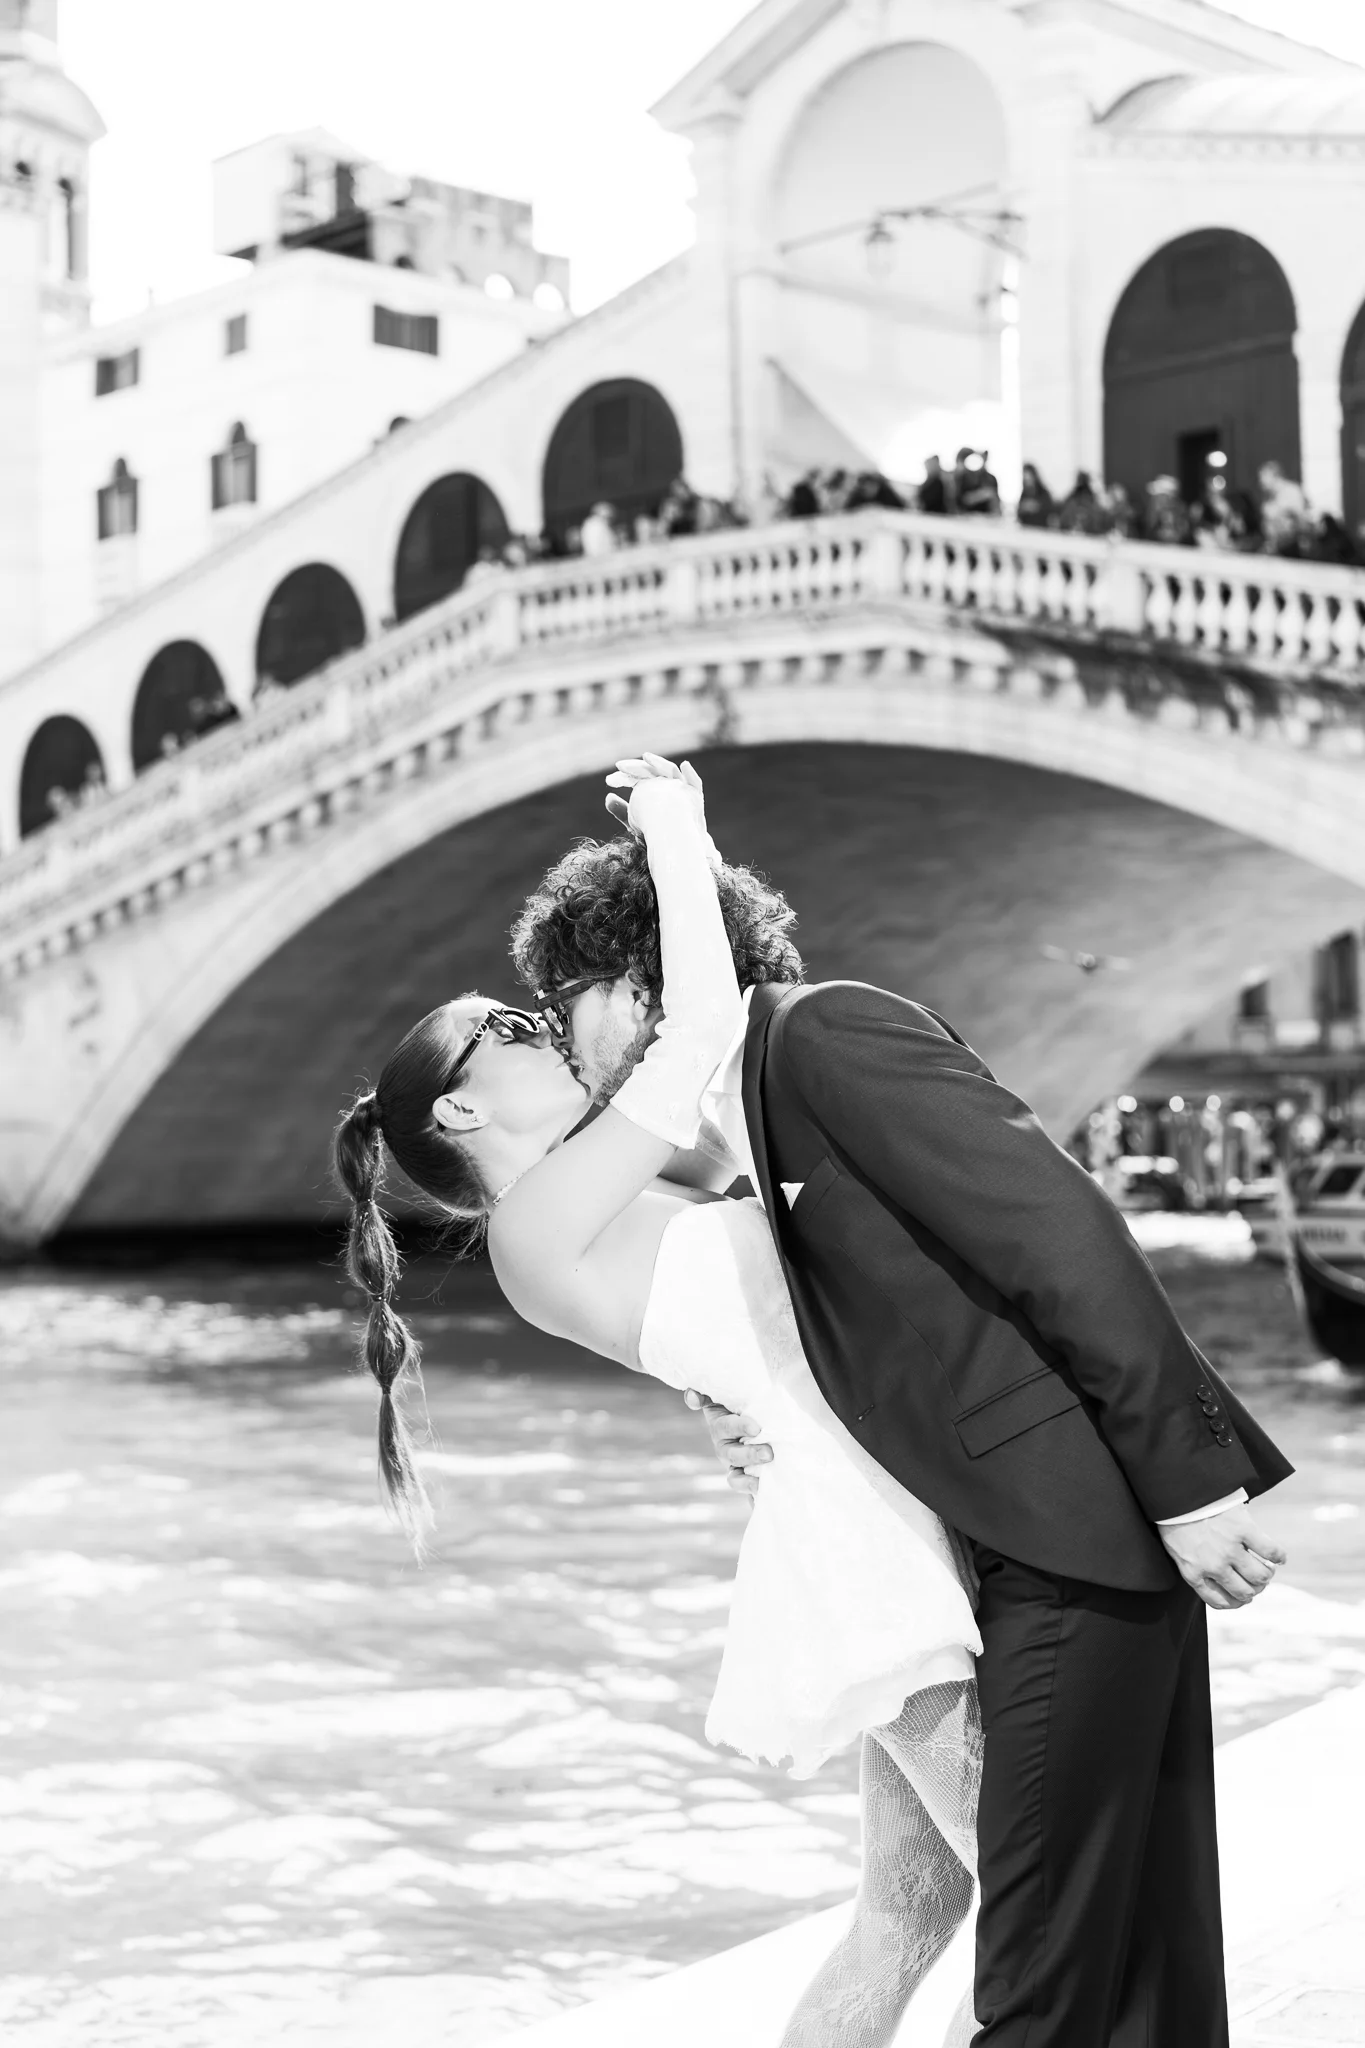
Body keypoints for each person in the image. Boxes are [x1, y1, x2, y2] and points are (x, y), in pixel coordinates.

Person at [511, 782, 1293, 2047]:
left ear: (634, 982)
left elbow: (1059, 1226)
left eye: (567, 1005)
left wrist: (1189, 1483)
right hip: (1013, 1544)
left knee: (1042, 1975)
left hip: (1068, 1538)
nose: (566, 1042)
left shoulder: (824, 1035)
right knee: (1130, 1954)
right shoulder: (749, 1118)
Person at [334, 761, 983, 2048]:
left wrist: (715, 1403)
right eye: (508, 1031)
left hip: (875, 1501)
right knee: (1039, 1870)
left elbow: (748, 1303)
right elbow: (695, 1042)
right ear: (462, 1105)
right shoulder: (532, 1220)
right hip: (862, 1547)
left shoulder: (602, 1194)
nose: (539, 1026)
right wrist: (681, 842)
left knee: (919, 1906)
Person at [1015, 463, 1054, 529]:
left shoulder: (1043, 493)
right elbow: (1019, 513)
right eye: (1026, 480)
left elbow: (1049, 511)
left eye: (1029, 479)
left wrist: (1035, 506)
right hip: (1026, 528)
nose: (1027, 482)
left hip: (1041, 528)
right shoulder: (1024, 494)